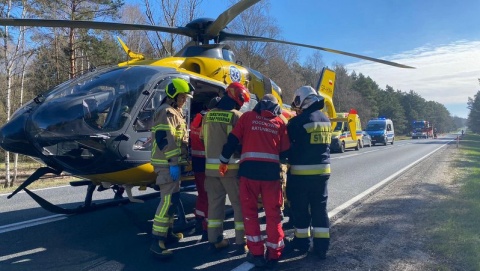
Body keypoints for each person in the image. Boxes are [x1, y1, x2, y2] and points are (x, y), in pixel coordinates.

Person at [219, 94, 290, 268]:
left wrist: (223, 160)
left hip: (248, 173)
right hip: (271, 175)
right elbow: (285, 152)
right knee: (273, 215)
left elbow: (232, 140)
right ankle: (274, 254)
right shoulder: (280, 122)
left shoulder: (247, 117)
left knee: (250, 214)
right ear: (275, 107)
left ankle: (256, 253)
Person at [285, 86, 332, 260]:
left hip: (301, 175)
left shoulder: (297, 122)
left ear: (301, 100)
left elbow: (288, 147)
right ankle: (321, 247)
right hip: (322, 173)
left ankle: (301, 243)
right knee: (320, 209)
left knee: (301, 210)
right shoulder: (326, 120)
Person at [201, 82, 249, 252]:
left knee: (215, 204)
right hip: (231, 168)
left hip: (210, 170)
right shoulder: (237, 116)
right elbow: (242, 143)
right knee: (238, 204)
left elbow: (202, 139)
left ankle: (215, 239)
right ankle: (241, 241)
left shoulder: (207, 116)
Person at [149, 78, 194, 259]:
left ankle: (167, 233)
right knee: (167, 201)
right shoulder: (166, 112)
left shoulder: (175, 112)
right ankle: (157, 241)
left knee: (173, 199)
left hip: (172, 163)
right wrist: (174, 163)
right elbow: (166, 140)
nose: (185, 101)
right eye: (183, 97)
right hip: (167, 164)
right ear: (174, 96)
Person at [189, 96, 221, 242]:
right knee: (211, 196)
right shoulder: (210, 119)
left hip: (196, 161)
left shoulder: (197, 117)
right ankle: (206, 229)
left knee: (202, 193)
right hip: (207, 161)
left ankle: (198, 219)